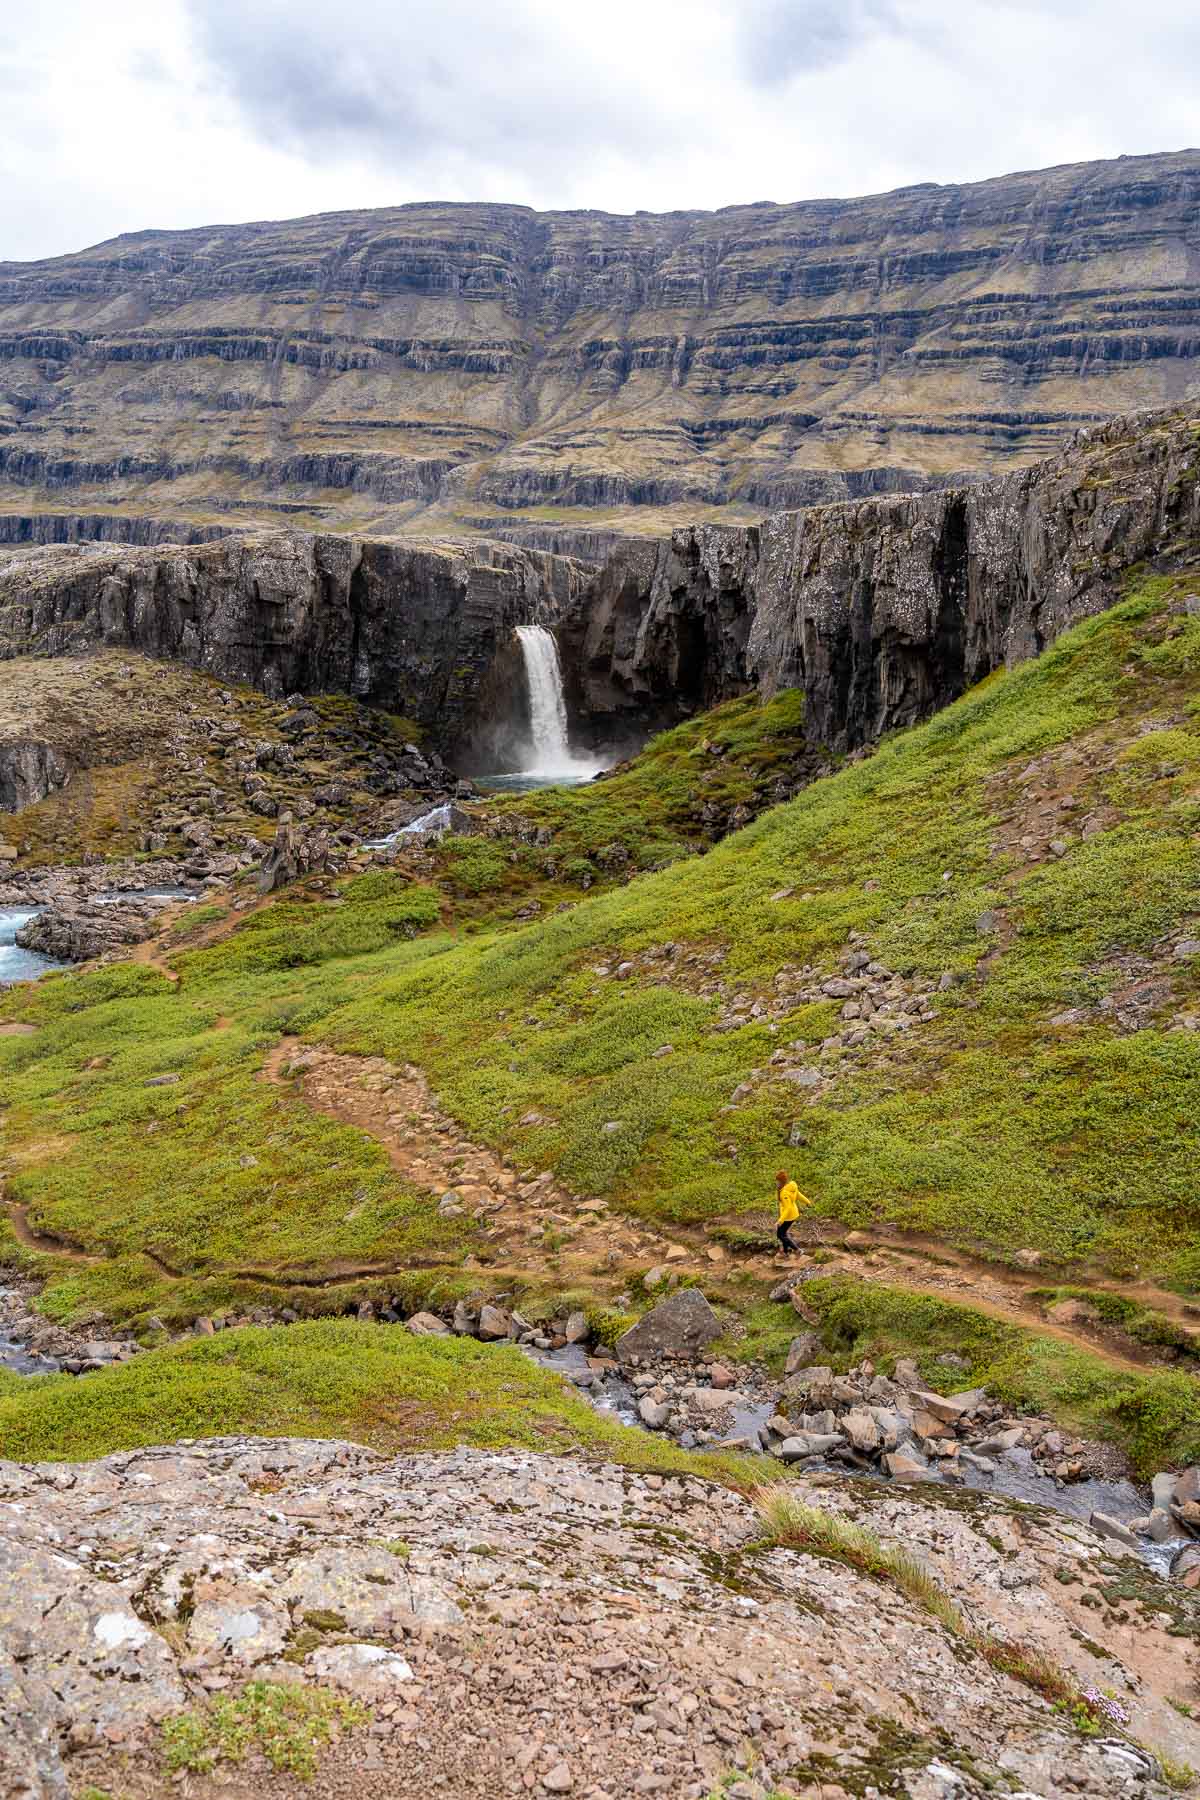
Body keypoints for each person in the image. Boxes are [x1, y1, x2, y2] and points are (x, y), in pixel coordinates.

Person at [774, 1169, 808, 1256]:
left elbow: (788, 1208)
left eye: (777, 1181)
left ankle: (797, 1250)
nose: (776, 1183)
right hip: (793, 1214)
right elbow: (799, 1195)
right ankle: (785, 1252)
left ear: (781, 1181)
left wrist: (780, 1221)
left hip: (788, 1216)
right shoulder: (791, 1186)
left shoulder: (784, 1192)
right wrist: (808, 1202)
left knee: (780, 1235)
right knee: (783, 1233)